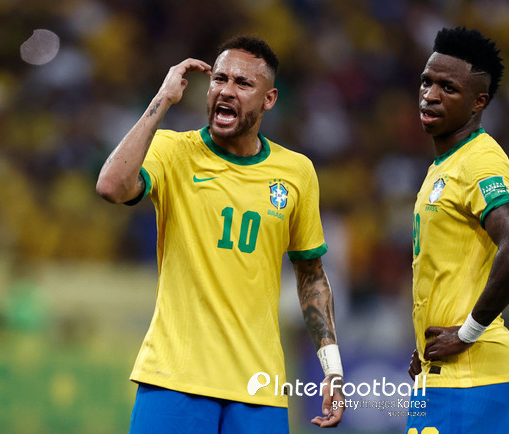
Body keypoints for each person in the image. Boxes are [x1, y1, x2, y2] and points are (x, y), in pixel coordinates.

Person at [96, 35, 344, 433]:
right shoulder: (173, 150)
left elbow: (311, 274)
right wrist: (162, 100)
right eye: (219, 79)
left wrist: (332, 368)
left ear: (269, 99)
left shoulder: (297, 172)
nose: (227, 90)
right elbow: (111, 187)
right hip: (174, 378)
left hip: (258, 387)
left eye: (243, 83)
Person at [406, 27, 509, 434]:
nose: (430, 95)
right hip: (446, 373)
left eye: (448, 88)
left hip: (469, 377)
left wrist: (466, 334)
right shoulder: (444, 165)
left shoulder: (481, 160)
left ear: (479, 101)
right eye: (427, 81)